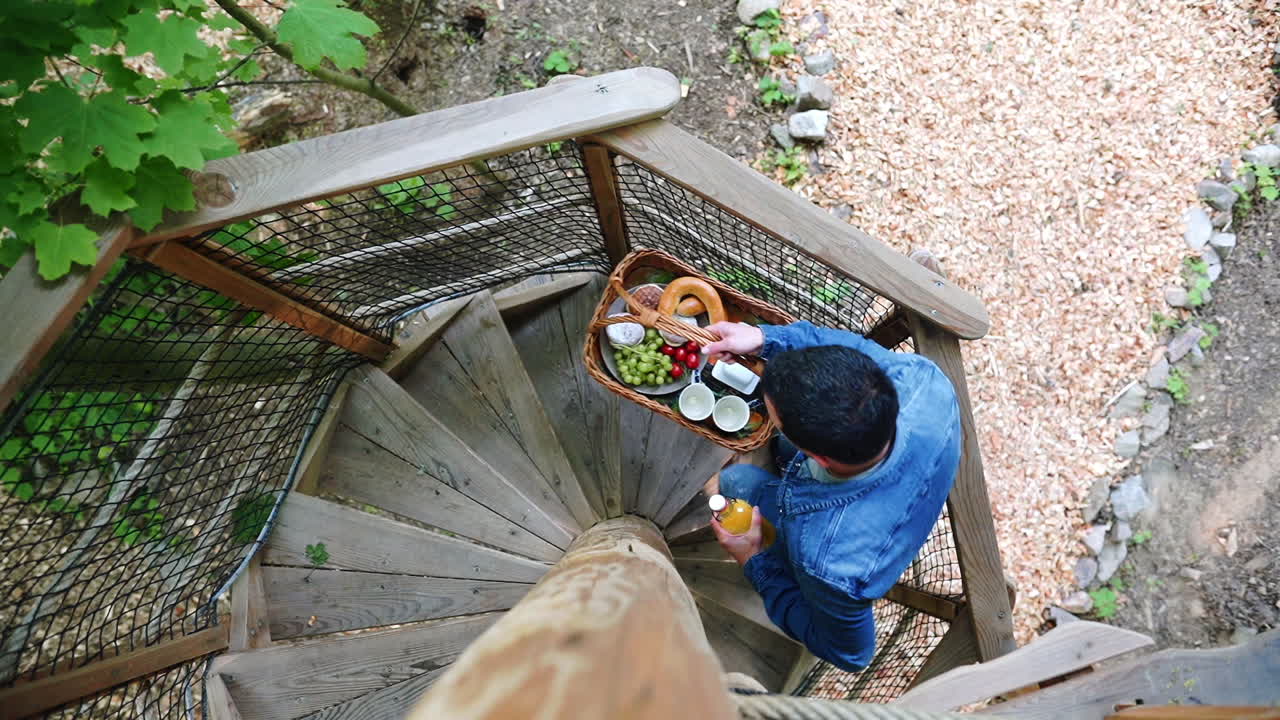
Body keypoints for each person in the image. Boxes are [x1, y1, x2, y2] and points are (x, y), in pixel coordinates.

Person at [700, 320, 961, 672]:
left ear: (820, 458)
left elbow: (852, 655)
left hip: (843, 533)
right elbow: (847, 349)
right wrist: (765, 339)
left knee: (739, 482)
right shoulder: (924, 383)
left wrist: (752, 557)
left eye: (775, 419)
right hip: (903, 475)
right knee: (781, 446)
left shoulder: (828, 564)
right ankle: (786, 448)